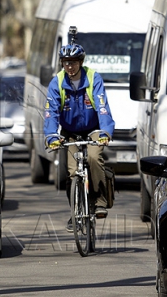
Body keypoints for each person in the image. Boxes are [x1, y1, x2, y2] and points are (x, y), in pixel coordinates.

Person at [44, 43, 115, 231]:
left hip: (93, 129)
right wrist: (52, 137)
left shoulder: (93, 78)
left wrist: (106, 132)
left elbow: (102, 108)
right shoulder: (57, 82)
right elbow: (51, 113)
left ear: (81, 62)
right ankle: (75, 212)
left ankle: (99, 201)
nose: (70, 67)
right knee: (73, 171)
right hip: (70, 131)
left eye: (73, 62)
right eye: (66, 63)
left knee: (93, 157)